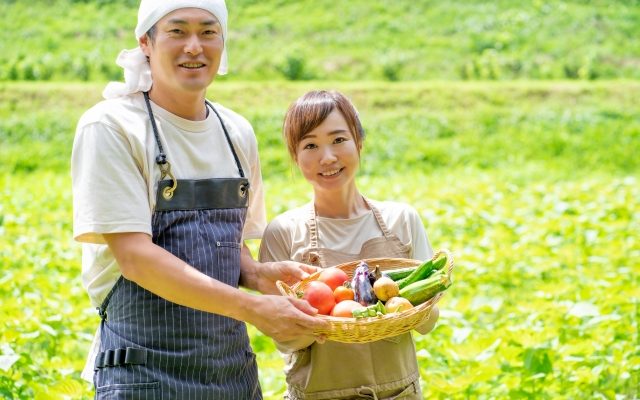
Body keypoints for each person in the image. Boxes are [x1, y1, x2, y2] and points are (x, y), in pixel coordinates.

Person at [71, 1, 328, 398]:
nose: (195, 46)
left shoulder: (236, 131)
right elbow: (135, 258)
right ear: (145, 42)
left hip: (232, 374)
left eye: (208, 31)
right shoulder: (111, 126)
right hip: (143, 375)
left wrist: (258, 275)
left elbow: (227, 244)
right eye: (177, 31)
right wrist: (253, 308)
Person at [258, 90, 440, 399]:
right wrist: (327, 319)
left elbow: (427, 323)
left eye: (339, 140)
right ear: (295, 156)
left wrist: (397, 307)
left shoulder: (402, 220)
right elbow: (285, 339)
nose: (327, 157)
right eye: (311, 145)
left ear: (359, 142)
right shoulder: (283, 232)